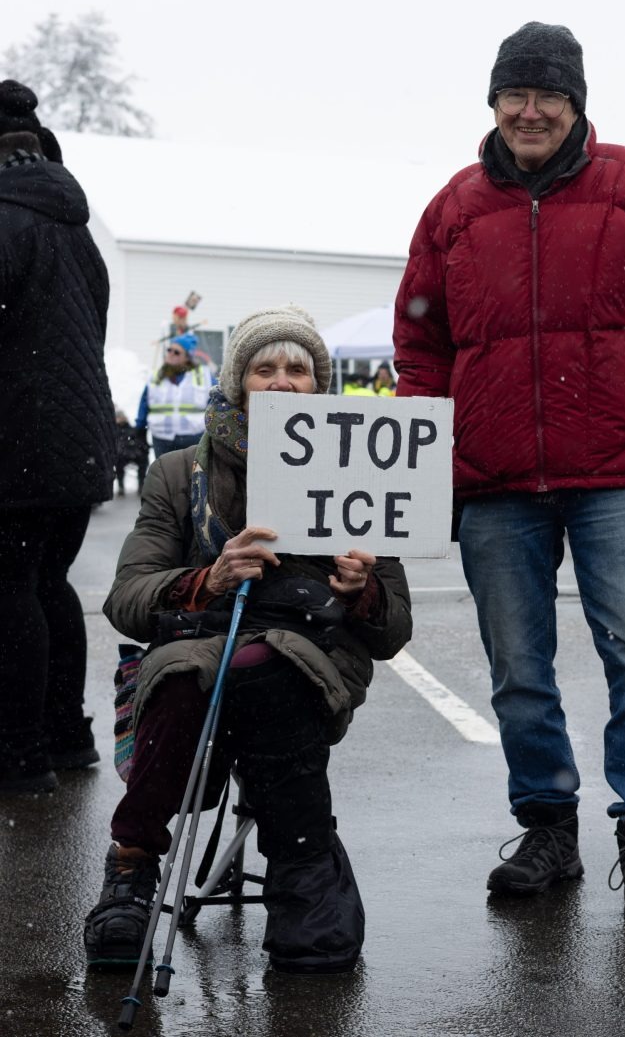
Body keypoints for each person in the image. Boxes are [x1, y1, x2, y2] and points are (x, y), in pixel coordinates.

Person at [393, 22, 625, 922]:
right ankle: (546, 825)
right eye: (516, 94)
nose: (531, 110)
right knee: (517, 668)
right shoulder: (454, 210)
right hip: (498, 484)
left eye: (549, 95)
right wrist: (429, 458)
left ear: (577, 103)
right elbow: (420, 344)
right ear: (494, 102)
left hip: (615, 474)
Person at [83, 305, 412, 974]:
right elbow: (126, 596)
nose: (284, 381)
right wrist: (208, 576)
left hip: (311, 652)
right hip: (199, 645)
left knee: (264, 668)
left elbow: (394, 630)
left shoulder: (358, 466)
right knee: (187, 676)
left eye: (299, 368)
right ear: (239, 383)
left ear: (318, 386)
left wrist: (361, 590)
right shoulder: (177, 474)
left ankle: (302, 863)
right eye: (266, 367)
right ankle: (134, 864)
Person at [0, 80, 115, 793]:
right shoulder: (73, 224)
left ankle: (18, 754)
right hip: (77, 443)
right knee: (48, 583)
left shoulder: (6, 220)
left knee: (9, 588)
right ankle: (67, 734)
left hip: (16, 444)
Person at [136, 331, 214, 458]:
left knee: (191, 476)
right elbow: (144, 403)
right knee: (164, 476)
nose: (171, 354)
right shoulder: (156, 377)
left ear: (187, 357)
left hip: (193, 438)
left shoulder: (203, 377)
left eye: (177, 352)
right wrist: (139, 429)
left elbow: (215, 402)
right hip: (162, 439)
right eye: (169, 350)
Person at [114, 408, 149, 497]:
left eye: (122, 417)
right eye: (119, 417)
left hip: (134, 453)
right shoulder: (115, 430)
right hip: (122, 455)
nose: (121, 419)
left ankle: (141, 485)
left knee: (143, 460)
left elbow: (139, 441)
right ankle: (121, 486)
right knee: (119, 461)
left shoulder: (133, 429)